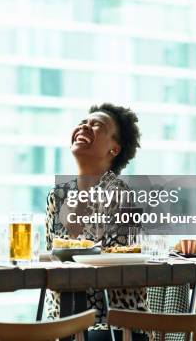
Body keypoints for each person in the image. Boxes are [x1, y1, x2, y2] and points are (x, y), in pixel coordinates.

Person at [45, 103, 150, 341]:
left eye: (97, 125)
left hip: (115, 326)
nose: (85, 126)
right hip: (63, 321)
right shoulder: (57, 197)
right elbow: (52, 262)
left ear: (114, 149)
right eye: (84, 122)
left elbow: (114, 266)